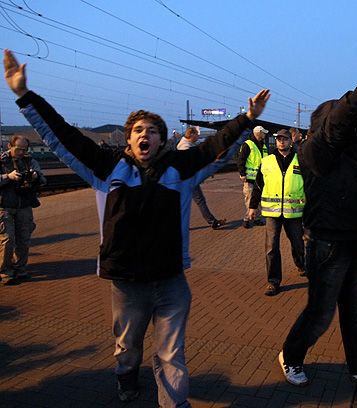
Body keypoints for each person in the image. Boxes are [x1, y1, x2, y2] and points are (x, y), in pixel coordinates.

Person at [4, 48, 270, 407]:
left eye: (153, 131)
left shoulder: (180, 169)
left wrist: (246, 117)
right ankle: (126, 375)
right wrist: (25, 96)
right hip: (126, 283)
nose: (145, 135)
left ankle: (174, 403)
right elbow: (62, 137)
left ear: (162, 139)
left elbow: (216, 148)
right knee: (127, 346)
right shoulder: (106, 169)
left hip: (171, 281)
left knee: (170, 354)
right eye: (138, 130)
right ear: (128, 139)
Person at [278, 52, 357, 386]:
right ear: (326, 125)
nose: (348, 128)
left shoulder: (344, 149)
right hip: (326, 244)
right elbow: (340, 127)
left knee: (356, 311)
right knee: (319, 314)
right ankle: (291, 356)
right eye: (339, 122)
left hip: (350, 242)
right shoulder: (315, 152)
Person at [248, 129, 305, 296]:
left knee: (297, 244)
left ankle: (301, 264)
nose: (281, 142)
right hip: (272, 213)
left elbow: (309, 185)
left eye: (285, 139)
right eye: (279, 139)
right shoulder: (266, 162)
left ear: (291, 141)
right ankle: (273, 282)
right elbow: (258, 187)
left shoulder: (301, 161)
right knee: (271, 248)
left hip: (293, 213)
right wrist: (252, 207)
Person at [0, 135, 46, 285]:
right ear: (9, 146)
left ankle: (20, 269)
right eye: (18, 149)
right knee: (7, 240)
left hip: (24, 206)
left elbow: (43, 180)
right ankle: (5, 272)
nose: (21, 152)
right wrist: (8, 176)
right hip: (4, 207)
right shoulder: (2, 161)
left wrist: (35, 176)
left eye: (24, 149)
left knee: (23, 240)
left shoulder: (30, 161)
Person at [177, 127, 226, 230]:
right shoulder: (185, 147)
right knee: (199, 201)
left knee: (190, 202)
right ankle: (212, 222)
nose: (198, 136)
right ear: (191, 134)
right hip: (188, 180)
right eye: (197, 134)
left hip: (187, 179)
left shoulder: (186, 145)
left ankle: (212, 221)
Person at [238, 125, 269, 228]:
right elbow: (241, 160)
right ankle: (247, 219)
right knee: (250, 198)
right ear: (258, 133)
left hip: (261, 178)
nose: (265, 134)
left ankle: (257, 218)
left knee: (259, 199)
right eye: (263, 132)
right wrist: (242, 174)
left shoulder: (263, 145)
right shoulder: (248, 145)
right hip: (250, 178)